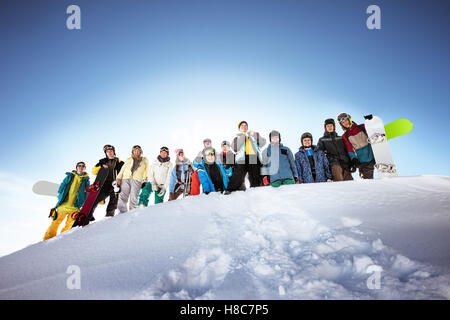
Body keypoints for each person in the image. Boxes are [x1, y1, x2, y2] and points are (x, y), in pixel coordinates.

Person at [43, 162, 90, 240]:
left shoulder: (86, 180)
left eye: (83, 166)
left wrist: (87, 201)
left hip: (75, 207)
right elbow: (63, 184)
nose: (81, 167)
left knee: (69, 225)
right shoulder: (69, 176)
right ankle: (47, 238)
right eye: (79, 166)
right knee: (55, 223)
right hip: (63, 204)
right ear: (76, 167)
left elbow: (87, 191)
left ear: (84, 168)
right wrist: (60, 194)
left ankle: (62, 239)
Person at [225, 120, 266, 193]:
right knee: (238, 174)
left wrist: (255, 134)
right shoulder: (237, 138)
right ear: (239, 128)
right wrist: (243, 136)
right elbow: (235, 148)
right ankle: (230, 189)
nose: (244, 126)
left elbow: (262, 143)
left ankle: (256, 190)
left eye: (245, 125)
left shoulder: (253, 136)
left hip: (253, 157)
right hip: (242, 158)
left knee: (255, 175)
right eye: (242, 126)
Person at [337, 112, 376, 179]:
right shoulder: (345, 136)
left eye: (346, 120)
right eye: (343, 122)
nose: (345, 123)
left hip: (373, 154)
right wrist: (353, 158)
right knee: (366, 180)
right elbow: (349, 148)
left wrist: (370, 122)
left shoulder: (361, 127)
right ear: (341, 124)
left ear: (349, 119)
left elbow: (373, 131)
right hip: (363, 160)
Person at [90, 144, 125, 218]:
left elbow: (126, 172)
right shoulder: (102, 161)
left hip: (116, 184)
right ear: (106, 153)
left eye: (111, 151)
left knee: (114, 201)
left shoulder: (120, 162)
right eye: (107, 151)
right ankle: (89, 215)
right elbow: (93, 171)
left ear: (114, 152)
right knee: (96, 199)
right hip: (105, 184)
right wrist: (101, 166)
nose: (109, 152)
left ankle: (109, 216)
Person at [116, 145, 149, 213]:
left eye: (138, 151)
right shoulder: (129, 159)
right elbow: (122, 169)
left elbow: (147, 170)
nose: (136, 152)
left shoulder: (144, 160)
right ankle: (122, 213)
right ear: (133, 152)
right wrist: (118, 178)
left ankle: (132, 213)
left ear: (140, 152)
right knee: (122, 196)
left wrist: (145, 180)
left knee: (134, 197)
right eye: (135, 150)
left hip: (137, 180)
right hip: (126, 178)